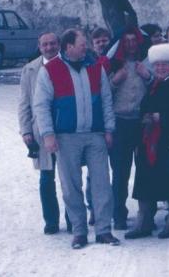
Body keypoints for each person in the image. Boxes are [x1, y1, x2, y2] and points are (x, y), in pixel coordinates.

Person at [33, 29, 119, 249]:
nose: (86, 47)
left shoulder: (95, 66)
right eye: (82, 44)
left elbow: (106, 100)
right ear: (68, 47)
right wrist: (48, 134)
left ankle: (103, 230)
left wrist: (109, 129)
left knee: (102, 184)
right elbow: (41, 105)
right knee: (71, 186)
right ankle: (79, 231)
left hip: (95, 134)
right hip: (66, 136)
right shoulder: (50, 70)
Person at [125, 43, 169, 239]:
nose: (161, 68)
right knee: (145, 180)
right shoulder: (153, 86)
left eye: (165, 65)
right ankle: (145, 221)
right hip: (151, 142)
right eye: (157, 66)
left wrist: (160, 118)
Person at [19, 32, 65, 234]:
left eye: (53, 44)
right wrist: (26, 131)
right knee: (46, 178)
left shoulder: (68, 64)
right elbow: (24, 103)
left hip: (65, 129)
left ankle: (74, 219)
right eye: (45, 44)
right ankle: (51, 221)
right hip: (41, 132)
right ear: (39, 46)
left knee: (69, 178)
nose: (49, 48)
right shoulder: (30, 70)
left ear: (59, 45)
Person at [107, 27, 151, 230]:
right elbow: (102, 93)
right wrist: (114, 82)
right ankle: (119, 214)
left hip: (142, 123)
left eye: (135, 40)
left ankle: (147, 213)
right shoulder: (113, 65)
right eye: (127, 41)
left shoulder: (147, 62)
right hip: (120, 123)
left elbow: (158, 87)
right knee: (120, 172)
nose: (132, 44)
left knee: (145, 169)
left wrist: (147, 77)